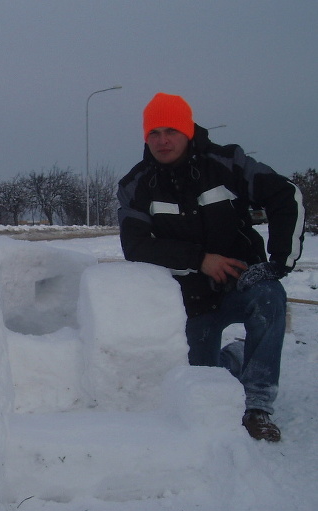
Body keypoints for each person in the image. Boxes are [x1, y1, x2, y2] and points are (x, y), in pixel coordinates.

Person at [117, 93, 304, 442]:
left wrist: (278, 262)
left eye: (171, 130)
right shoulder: (135, 185)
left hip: (241, 283)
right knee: (204, 381)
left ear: (188, 131)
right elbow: (136, 246)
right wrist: (200, 260)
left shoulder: (228, 163)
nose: (162, 140)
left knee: (268, 298)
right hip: (191, 298)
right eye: (153, 132)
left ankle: (257, 405)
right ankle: (233, 358)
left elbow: (286, 195)